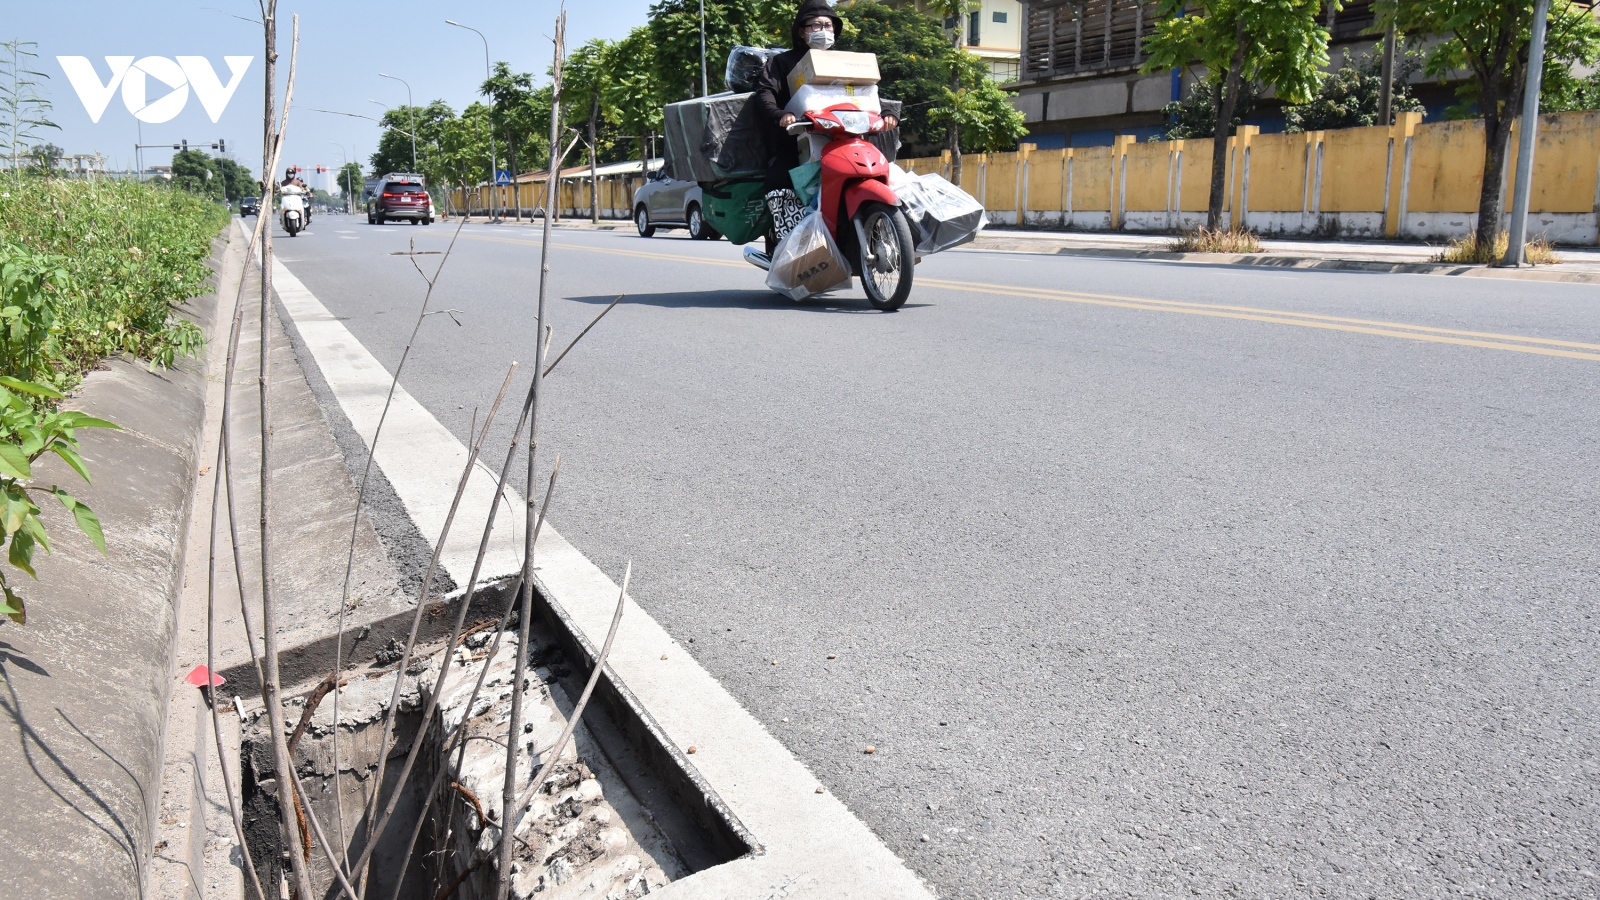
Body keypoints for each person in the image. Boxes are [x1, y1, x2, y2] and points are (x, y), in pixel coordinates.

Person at [753, 0, 898, 241]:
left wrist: (886, 114)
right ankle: (789, 243)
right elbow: (765, 93)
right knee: (779, 179)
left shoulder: (843, 62)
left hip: (845, 136)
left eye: (829, 26)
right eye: (816, 25)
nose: (824, 31)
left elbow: (867, 92)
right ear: (802, 30)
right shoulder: (782, 63)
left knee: (886, 174)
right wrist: (781, 115)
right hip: (799, 137)